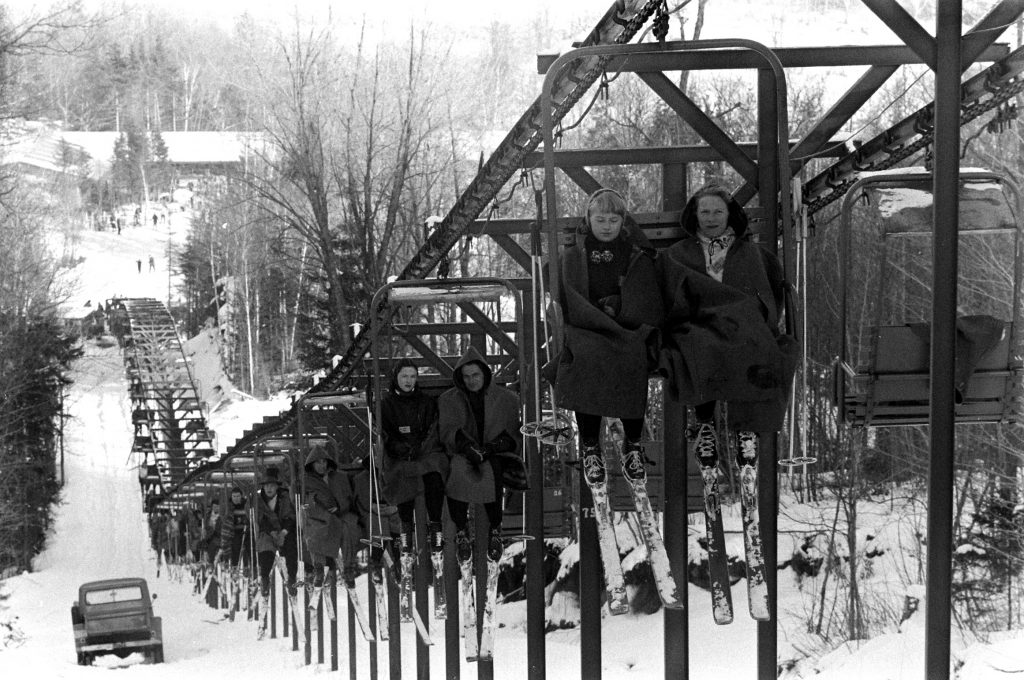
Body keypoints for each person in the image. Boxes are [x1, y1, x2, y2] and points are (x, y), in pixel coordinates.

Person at [657, 182, 796, 466]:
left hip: (741, 321)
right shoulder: (679, 253)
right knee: (698, 344)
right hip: (698, 318)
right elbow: (670, 290)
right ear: (695, 215)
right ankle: (704, 422)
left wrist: (754, 314)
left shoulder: (749, 252)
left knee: (756, 346)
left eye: (717, 212)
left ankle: (746, 428)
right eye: (705, 212)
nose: (711, 218)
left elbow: (767, 291)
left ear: (729, 214)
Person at [550, 187, 664, 489]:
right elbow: (566, 289)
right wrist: (590, 312)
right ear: (589, 219)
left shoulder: (634, 253)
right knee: (585, 358)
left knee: (633, 356)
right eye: (600, 219)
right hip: (587, 326)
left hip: (625, 326)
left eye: (613, 220)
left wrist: (620, 306)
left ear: (622, 221)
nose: (607, 226)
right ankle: (590, 444)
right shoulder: (576, 253)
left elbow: (645, 292)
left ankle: (633, 442)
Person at [438, 347, 521, 562]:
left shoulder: (505, 399)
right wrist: (466, 445)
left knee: (492, 469)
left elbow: (513, 433)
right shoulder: (450, 400)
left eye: (475, 375)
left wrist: (493, 447)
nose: (471, 381)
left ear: (484, 373)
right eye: (466, 377)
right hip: (464, 453)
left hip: (494, 453)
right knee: (457, 469)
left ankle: (495, 529)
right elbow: (448, 430)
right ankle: (461, 531)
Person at [379, 359, 448, 561]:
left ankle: (436, 527)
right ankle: (405, 529)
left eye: (412, 376)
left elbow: (433, 429)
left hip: (425, 453)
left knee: (434, 475)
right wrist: (399, 448)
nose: (408, 381)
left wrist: (421, 447)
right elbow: (385, 433)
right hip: (400, 456)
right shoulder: (387, 405)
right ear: (396, 378)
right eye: (404, 376)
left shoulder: (426, 403)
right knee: (402, 476)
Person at [301, 440, 360, 587]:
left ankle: (348, 568)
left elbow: (348, 496)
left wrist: (339, 508)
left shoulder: (339, 477)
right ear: (312, 464)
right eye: (318, 463)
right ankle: (319, 568)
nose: (322, 465)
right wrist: (319, 509)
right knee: (316, 531)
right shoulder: (305, 481)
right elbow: (305, 502)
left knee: (349, 529)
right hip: (318, 516)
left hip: (341, 514)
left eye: (324, 462)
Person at [253, 467, 298, 597]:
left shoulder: (284, 497)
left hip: (284, 530)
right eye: (267, 486)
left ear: (277, 487)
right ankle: (265, 578)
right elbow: (260, 519)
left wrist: (283, 532)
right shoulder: (258, 500)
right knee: (265, 547)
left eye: (272, 485)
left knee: (291, 546)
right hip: (267, 531)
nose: (269, 489)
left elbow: (289, 516)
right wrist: (272, 532)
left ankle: (292, 578)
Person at [220, 487, 251, 570]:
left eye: (238, 496)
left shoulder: (246, 505)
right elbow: (225, 519)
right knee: (235, 546)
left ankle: (250, 566)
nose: (236, 498)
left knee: (250, 546)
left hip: (247, 531)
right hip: (234, 532)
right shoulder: (228, 507)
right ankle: (234, 566)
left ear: (241, 496)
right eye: (234, 496)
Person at [199, 499, 222, 564]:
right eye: (214, 506)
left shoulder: (221, 516)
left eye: (217, 506)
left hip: (219, 537)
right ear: (212, 507)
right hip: (209, 537)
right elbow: (205, 527)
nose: (216, 508)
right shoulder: (208, 516)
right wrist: (205, 530)